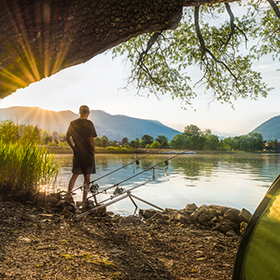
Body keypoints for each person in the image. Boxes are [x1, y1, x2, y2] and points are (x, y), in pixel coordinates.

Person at [66, 105, 97, 204]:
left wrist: (73, 148)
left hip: (78, 152)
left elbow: (67, 138)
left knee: (74, 175)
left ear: (79, 112)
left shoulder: (73, 123)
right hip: (87, 153)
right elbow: (91, 138)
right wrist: (93, 150)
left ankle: (69, 195)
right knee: (87, 177)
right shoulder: (89, 123)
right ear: (88, 113)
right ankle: (84, 200)